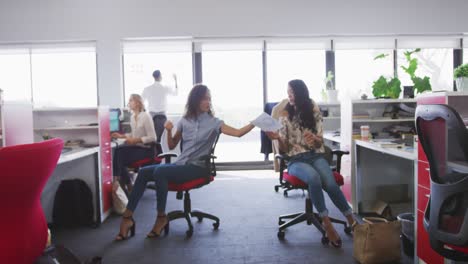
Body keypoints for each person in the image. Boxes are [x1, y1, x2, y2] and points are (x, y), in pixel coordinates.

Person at [115, 84, 256, 241]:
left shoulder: (215, 122)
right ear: (195, 100)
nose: (208, 102)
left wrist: (255, 123)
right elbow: (173, 144)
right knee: (143, 172)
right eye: (204, 98)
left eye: (209, 99)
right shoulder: (185, 120)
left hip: (198, 168)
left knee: (160, 171)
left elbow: (238, 133)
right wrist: (169, 131)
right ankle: (127, 218)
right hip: (181, 165)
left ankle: (161, 217)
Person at [266, 79, 356, 248]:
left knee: (330, 183)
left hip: (315, 155)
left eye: (291, 93)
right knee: (314, 178)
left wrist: (315, 139)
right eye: (288, 92)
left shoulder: (312, 109)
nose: (289, 96)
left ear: (300, 93)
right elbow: (284, 150)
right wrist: (277, 138)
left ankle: (351, 219)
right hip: (294, 160)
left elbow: (319, 142)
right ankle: (326, 222)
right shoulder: (284, 115)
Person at [111, 94, 157, 195]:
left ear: (137, 102)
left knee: (119, 156)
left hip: (147, 150)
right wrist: (121, 136)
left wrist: (136, 140)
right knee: (118, 153)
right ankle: (125, 184)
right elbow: (133, 134)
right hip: (137, 148)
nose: (129, 103)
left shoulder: (146, 116)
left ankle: (120, 183)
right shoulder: (132, 117)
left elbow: (153, 137)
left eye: (131, 100)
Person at [141, 70, 178, 149]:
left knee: (151, 139)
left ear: (153, 77)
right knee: (159, 140)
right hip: (162, 116)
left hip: (151, 116)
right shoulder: (164, 88)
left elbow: (141, 101)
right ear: (160, 76)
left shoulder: (147, 88)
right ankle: (159, 156)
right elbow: (175, 93)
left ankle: (152, 156)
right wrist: (175, 80)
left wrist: (143, 112)